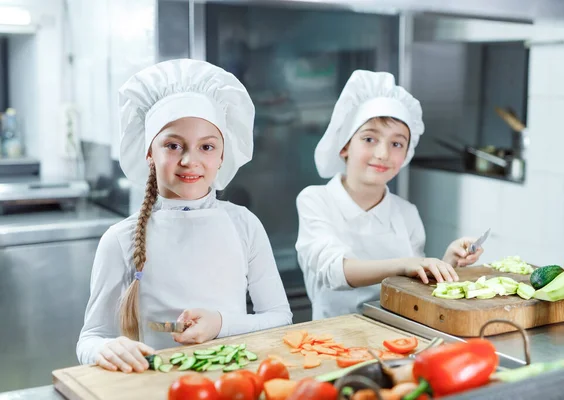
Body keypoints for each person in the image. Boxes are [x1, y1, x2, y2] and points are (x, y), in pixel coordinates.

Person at [77, 59, 292, 373]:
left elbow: (279, 317)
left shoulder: (244, 225)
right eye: (173, 145)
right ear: (149, 153)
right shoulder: (119, 239)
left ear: (222, 156)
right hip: (152, 388)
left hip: (234, 384)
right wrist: (106, 348)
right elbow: (91, 338)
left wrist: (221, 324)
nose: (191, 161)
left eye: (206, 146)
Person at [295, 70, 484, 320]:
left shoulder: (406, 212)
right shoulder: (316, 200)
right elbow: (336, 272)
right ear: (344, 146)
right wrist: (404, 264)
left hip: (398, 336)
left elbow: (413, 285)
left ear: (406, 154)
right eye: (369, 138)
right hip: (334, 340)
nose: (383, 153)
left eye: (397, 144)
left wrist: (447, 262)